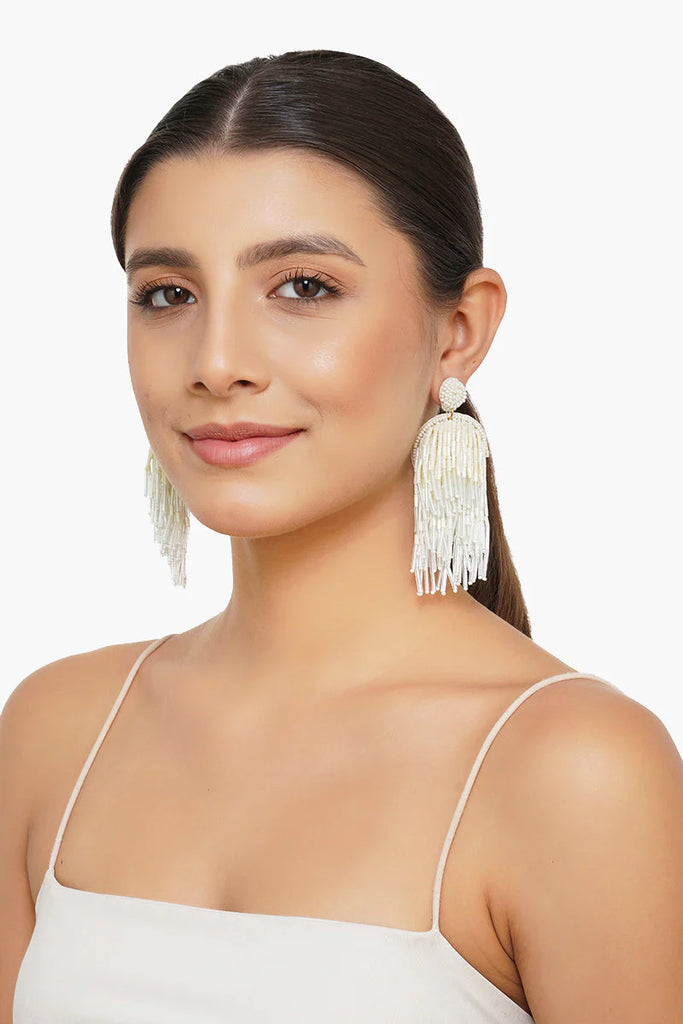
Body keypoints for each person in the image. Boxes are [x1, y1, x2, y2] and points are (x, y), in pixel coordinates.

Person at [4, 48, 682, 1023]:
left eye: (303, 287)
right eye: (168, 294)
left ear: (459, 330)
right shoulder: (52, 731)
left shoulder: (576, 771)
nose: (216, 362)